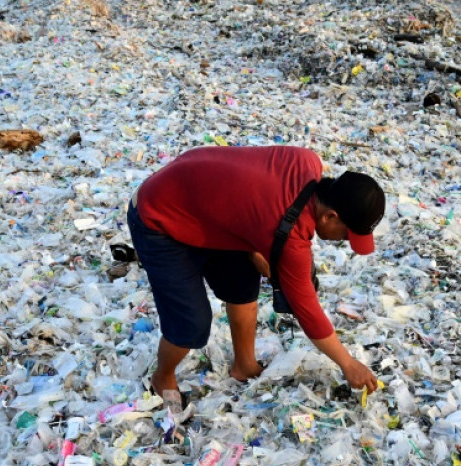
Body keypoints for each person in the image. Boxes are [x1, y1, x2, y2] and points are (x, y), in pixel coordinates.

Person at [127, 145, 385, 409]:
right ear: (330, 216)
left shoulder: (306, 160)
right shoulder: (290, 240)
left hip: (195, 194)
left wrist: (258, 246)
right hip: (157, 215)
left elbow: (252, 194)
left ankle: (244, 365)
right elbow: (307, 311)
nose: (342, 241)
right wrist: (348, 363)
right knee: (191, 323)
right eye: (345, 235)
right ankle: (163, 377)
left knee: (243, 279)